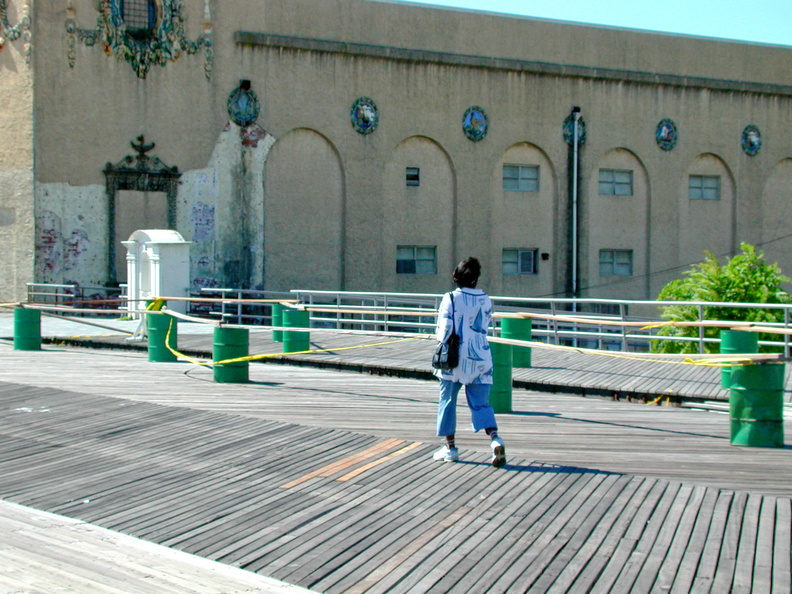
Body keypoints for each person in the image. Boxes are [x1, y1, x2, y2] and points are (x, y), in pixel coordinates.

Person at [432, 257, 506, 468]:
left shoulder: (450, 298)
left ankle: (450, 448)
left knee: (447, 401)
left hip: (454, 359)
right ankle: (495, 439)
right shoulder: (485, 299)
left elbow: (444, 332)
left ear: (456, 276)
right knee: (481, 404)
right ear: (476, 278)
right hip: (481, 357)